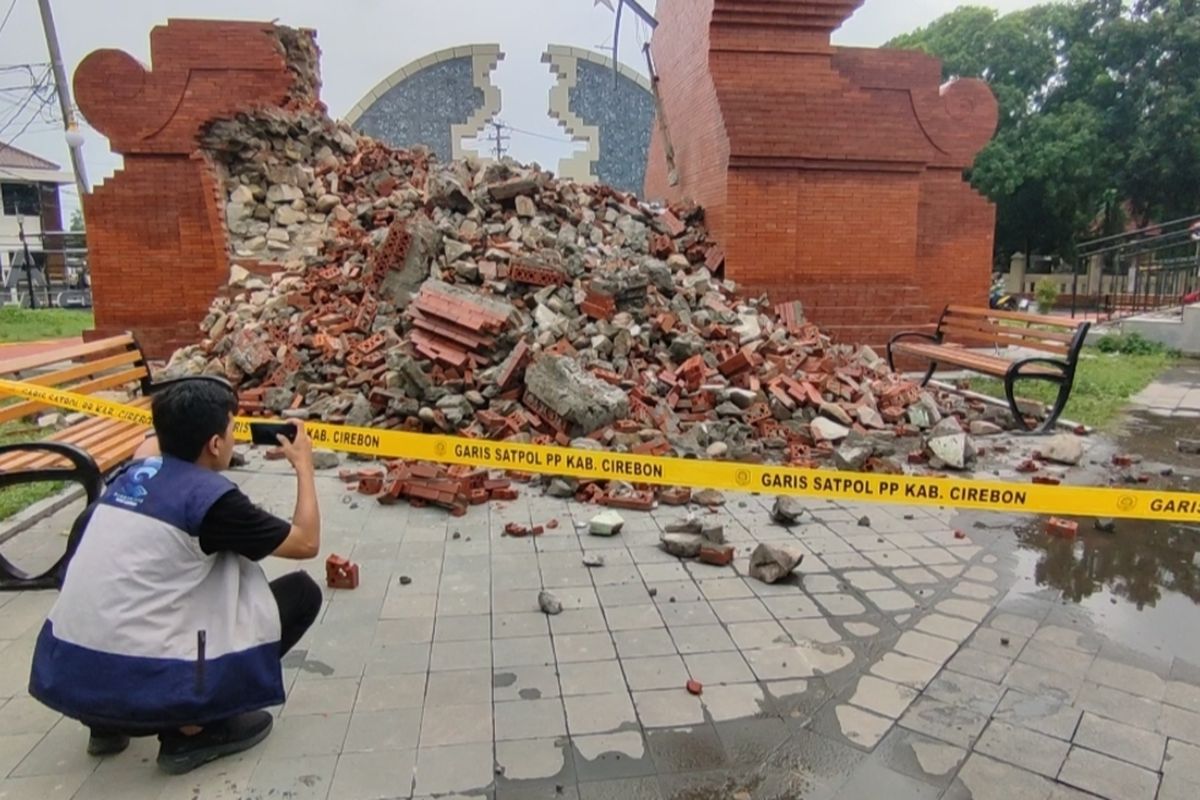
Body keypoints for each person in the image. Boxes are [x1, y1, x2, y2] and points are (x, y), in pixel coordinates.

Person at [29, 376, 324, 775]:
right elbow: (306, 543)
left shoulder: (130, 477)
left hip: (70, 673)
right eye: (232, 430)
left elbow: (156, 447)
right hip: (144, 675)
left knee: (158, 585)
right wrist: (304, 466)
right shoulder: (212, 501)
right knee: (301, 593)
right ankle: (193, 730)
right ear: (215, 444)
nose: (235, 438)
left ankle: (107, 723)